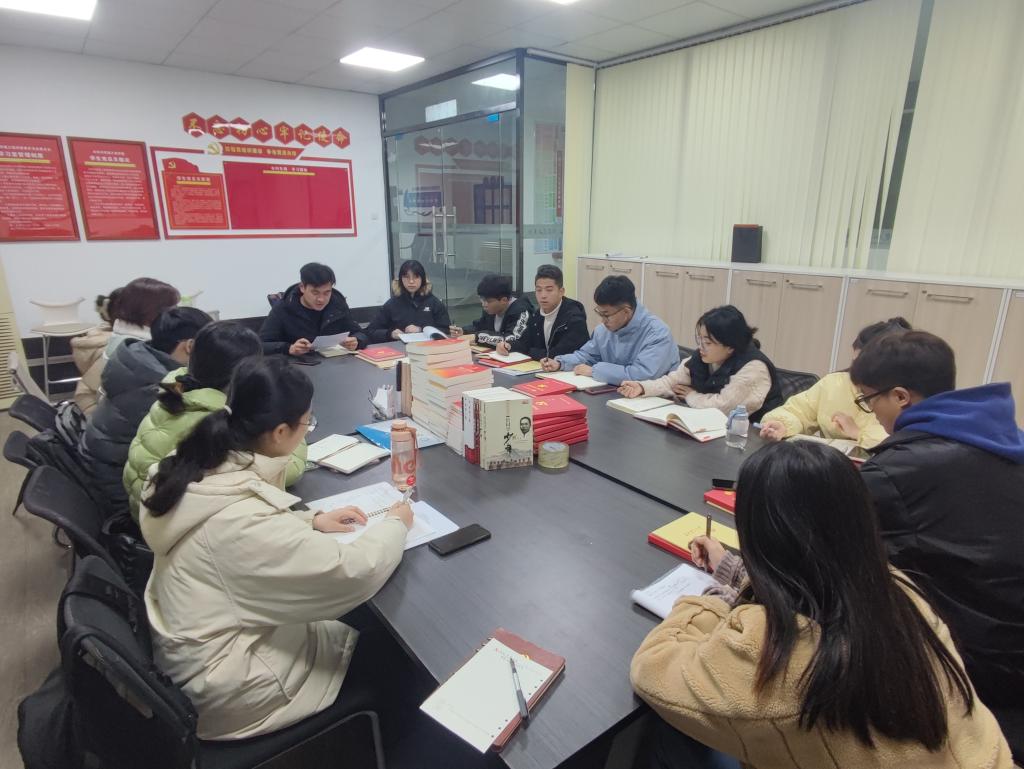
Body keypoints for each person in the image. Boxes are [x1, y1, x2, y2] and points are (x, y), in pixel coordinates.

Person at [631, 440, 1012, 769]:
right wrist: (736, 570)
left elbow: (654, 670)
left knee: (667, 732)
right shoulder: (897, 590)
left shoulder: (775, 653)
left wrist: (712, 601)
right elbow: (816, 582)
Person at [140, 356, 413, 739]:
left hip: (198, 648)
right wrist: (397, 524)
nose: (306, 431)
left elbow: (245, 530)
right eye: (307, 424)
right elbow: (353, 571)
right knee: (395, 655)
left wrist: (310, 521)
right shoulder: (240, 522)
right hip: (235, 686)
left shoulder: (193, 463)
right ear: (280, 432)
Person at [850, 331, 1024, 760]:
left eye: (868, 400)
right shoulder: (1003, 438)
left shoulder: (897, 473)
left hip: (975, 669)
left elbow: (829, 552)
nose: (871, 412)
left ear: (900, 397)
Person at [124, 321, 306, 519]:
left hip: (149, 510)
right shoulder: (215, 421)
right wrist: (295, 421)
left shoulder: (176, 388)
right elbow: (290, 470)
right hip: (173, 520)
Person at [79, 307, 211, 518]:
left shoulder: (137, 357)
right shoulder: (162, 387)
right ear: (190, 346)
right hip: (120, 494)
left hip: (100, 470)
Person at [759, 317, 912, 447]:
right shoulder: (836, 383)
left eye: (864, 366)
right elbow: (798, 411)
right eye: (855, 362)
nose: (856, 371)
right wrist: (782, 424)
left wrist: (858, 433)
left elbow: (904, 443)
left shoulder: (902, 396)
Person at [618, 304, 780, 419]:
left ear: (730, 346)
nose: (700, 347)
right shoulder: (704, 357)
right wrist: (642, 387)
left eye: (707, 342)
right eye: (700, 339)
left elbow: (724, 408)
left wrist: (692, 396)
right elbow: (672, 382)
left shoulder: (753, 368)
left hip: (752, 439)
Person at [545, 275, 678, 386]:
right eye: (600, 313)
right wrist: (560, 363)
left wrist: (594, 371)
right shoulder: (603, 330)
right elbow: (587, 356)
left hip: (655, 401)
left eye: (606, 315)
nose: (603, 321)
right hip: (615, 393)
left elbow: (641, 375)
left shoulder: (657, 333)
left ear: (626, 311)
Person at [75, 278, 180, 415]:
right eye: (172, 309)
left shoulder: (120, 336)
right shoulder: (135, 348)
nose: (176, 315)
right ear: (152, 311)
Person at [260, 262, 366, 356]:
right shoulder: (284, 307)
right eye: (315, 293)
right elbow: (261, 345)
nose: (321, 299)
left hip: (335, 363)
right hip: (297, 365)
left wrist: (356, 341)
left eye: (326, 293)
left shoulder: (338, 304)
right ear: (302, 287)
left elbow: (361, 334)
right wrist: (289, 348)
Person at [509, 265, 590, 360]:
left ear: (561, 291)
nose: (543, 295)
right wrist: (509, 346)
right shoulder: (537, 314)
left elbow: (557, 355)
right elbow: (525, 343)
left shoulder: (574, 318)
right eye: (539, 290)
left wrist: (529, 351)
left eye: (549, 290)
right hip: (541, 365)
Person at [365, 259, 451, 343]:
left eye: (416, 277)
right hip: (400, 348)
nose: (411, 281)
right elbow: (371, 331)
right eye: (406, 277)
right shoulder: (392, 304)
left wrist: (421, 329)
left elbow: (447, 330)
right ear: (401, 279)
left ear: (423, 279)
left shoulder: (434, 303)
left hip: (428, 349)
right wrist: (390, 334)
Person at [449, 273, 532, 349]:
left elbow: (512, 339)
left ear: (504, 300)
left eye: (488, 301)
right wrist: (464, 331)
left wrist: (477, 337)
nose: (484, 304)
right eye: (482, 299)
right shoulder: (490, 309)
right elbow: (481, 325)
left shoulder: (521, 311)